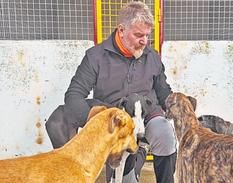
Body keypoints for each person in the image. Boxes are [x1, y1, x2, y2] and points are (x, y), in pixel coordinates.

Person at [45, 1, 177, 183]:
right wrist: (96, 121)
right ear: (121, 30)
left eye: (147, 35)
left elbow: (164, 93)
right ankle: (74, 174)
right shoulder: (95, 56)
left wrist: (182, 112)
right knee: (58, 118)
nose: (145, 41)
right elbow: (74, 94)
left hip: (146, 115)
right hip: (114, 118)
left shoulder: (152, 56)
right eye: (139, 35)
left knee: (165, 133)